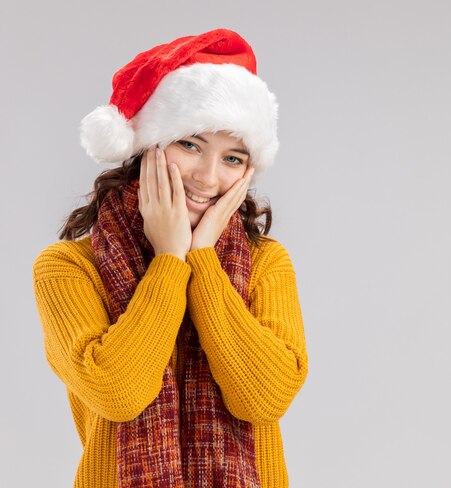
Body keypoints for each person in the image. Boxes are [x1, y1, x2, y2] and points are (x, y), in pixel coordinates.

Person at [32, 28, 309, 488]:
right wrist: (168, 261)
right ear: (147, 146)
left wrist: (201, 259)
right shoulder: (67, 267)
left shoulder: (265, 264)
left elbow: (264, 398)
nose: (208, 176)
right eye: (190, 145)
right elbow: (119, 391)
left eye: (233, 159)